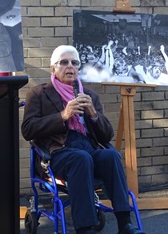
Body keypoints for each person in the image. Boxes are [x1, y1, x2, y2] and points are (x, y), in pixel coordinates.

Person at [21, 45, 145, 234]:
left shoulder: (90, 95)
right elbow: (28, 130)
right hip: (56, 152)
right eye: (64, 62)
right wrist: (63, 115)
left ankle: (125, 223)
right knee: (80, 158)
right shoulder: (38, 93)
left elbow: (106, 136)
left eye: (74, 63)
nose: (70, 66)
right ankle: (84, 228)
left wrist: (94, 115)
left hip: (87, 148)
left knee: (111, 155)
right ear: (53, 68)